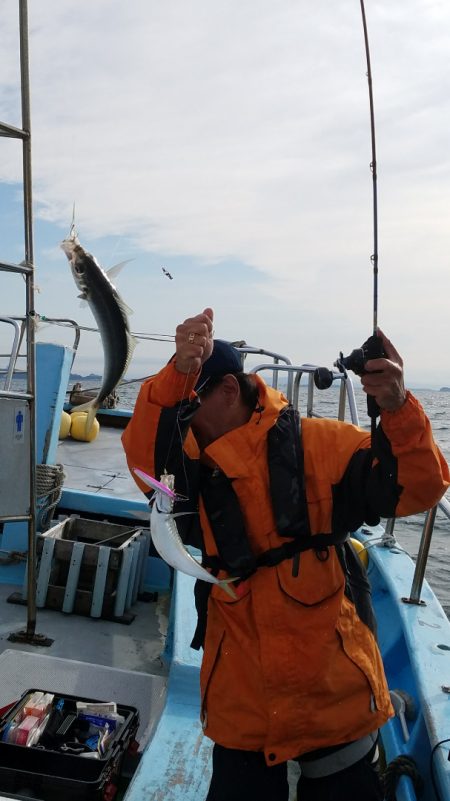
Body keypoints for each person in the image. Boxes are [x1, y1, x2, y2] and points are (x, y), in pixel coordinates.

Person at [122, 307, 449, 801]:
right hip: (241, 702)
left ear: (230, 391)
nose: (184, 423)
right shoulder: (184, 466)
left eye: (190, 406)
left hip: (332, 694)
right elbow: (145, 452)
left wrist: (398, 407)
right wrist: (177, 376)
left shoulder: (322, 444)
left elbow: (418, 488)